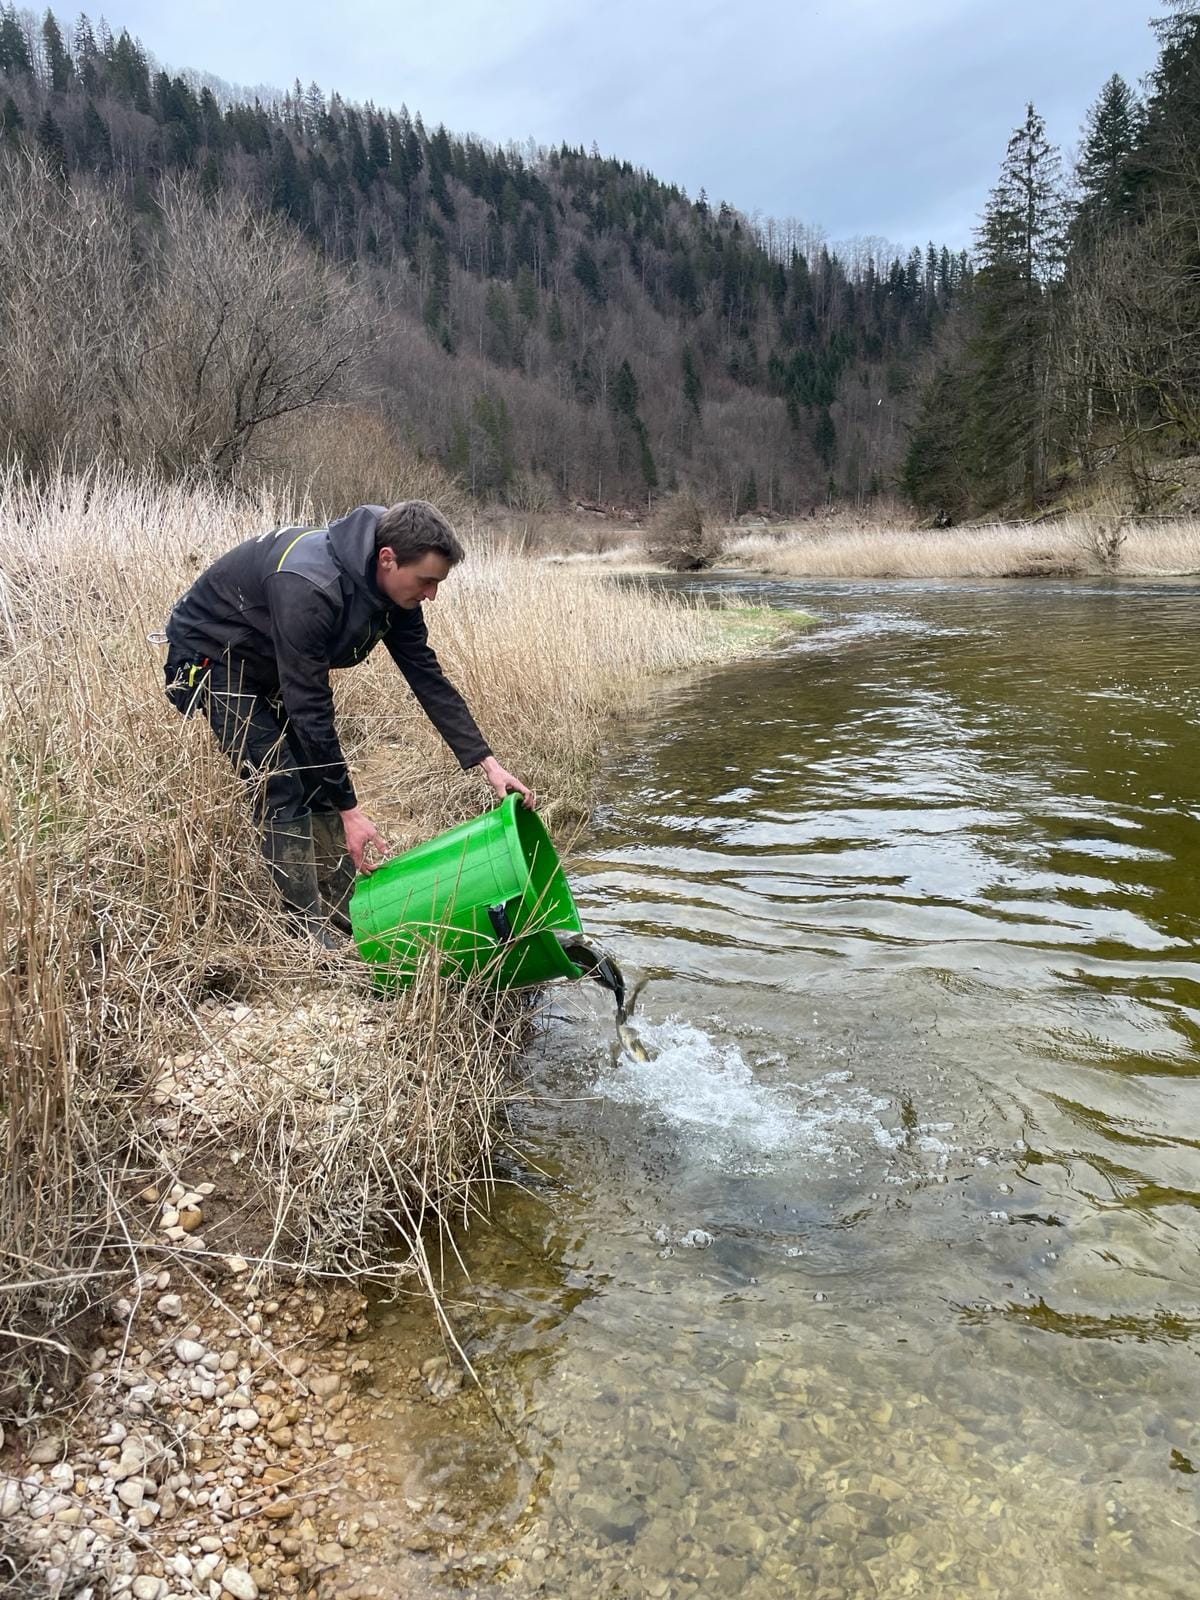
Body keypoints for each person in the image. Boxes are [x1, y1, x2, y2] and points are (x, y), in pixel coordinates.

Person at [163, 499, 532, 948]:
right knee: (280, 782)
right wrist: (351, 811)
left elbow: (426, 676)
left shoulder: (395, 590)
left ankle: (345, 908)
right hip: (214, 656)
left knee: (317, 781)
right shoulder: (311, 586)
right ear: (387, 559)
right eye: (427, 581)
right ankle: (305, 928)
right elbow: (309, 707)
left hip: (271, 657)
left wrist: (487, 763)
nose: (432, 594)